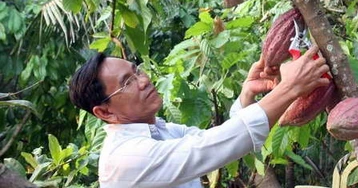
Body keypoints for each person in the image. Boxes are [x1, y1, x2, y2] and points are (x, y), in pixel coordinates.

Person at [69, 46, 331, 188]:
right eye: (127, 82)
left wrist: (246, 94)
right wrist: (290, 88)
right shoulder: (124, 158)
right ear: (105, 112)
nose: (143, 80)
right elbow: (207, 150)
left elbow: (213, 139)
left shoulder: (160, 131)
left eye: (136, 71)